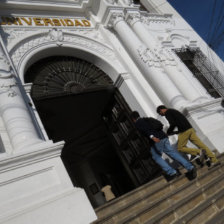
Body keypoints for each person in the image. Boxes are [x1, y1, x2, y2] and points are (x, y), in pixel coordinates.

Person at [131, 111, 197, 181]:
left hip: (156, 140)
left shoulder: (138, 123)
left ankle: (172, 172)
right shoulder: (146, 119)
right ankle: (190, 167)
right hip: (163, 137)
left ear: (133, 119)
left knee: (156, 157)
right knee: (172, 153)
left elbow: (146, 130)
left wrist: (152, 137)